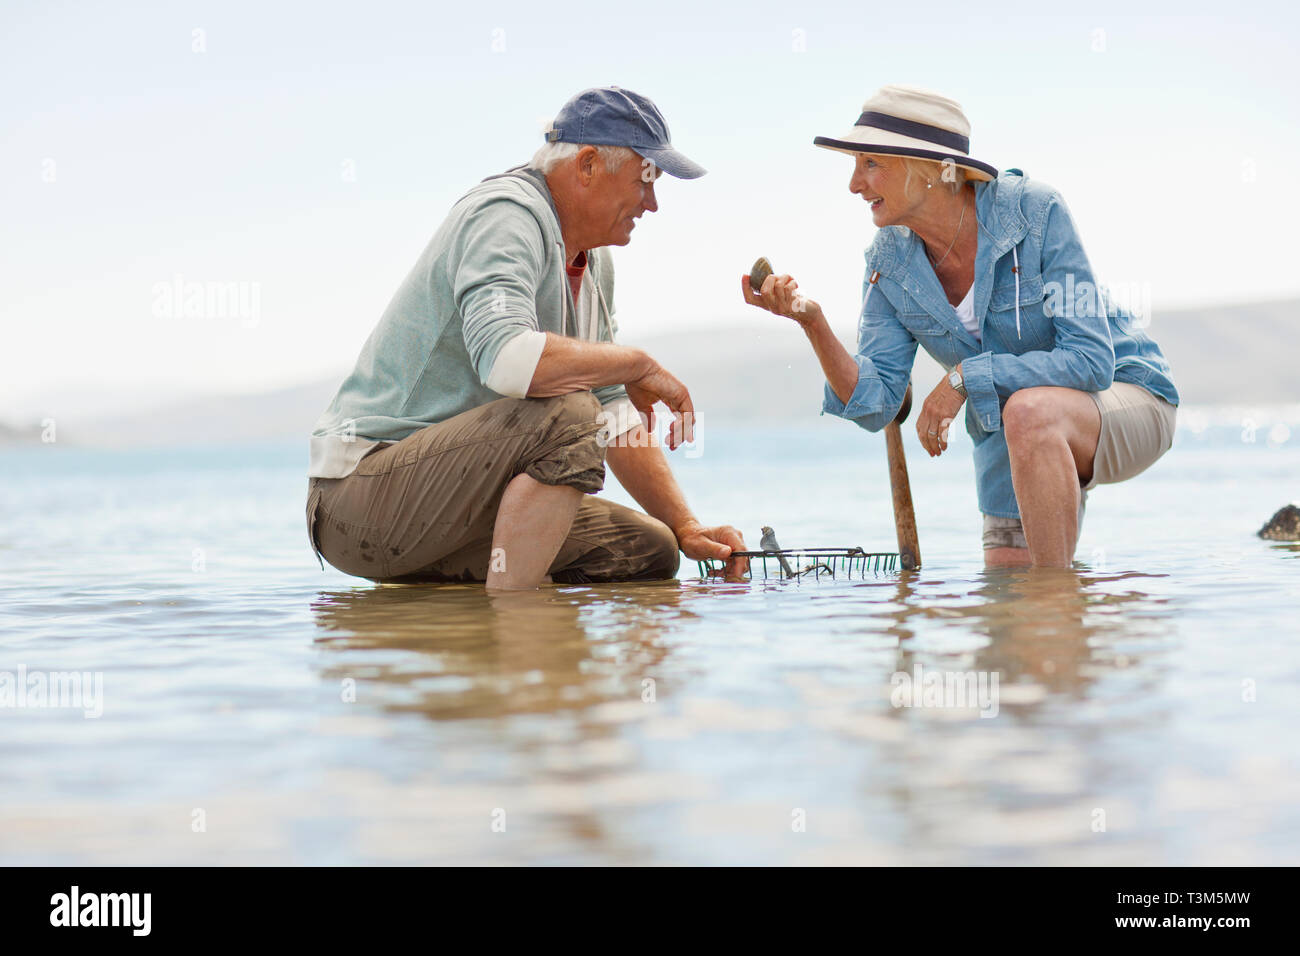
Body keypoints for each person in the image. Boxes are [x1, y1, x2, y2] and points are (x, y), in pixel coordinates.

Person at [306, 86, 746, 588]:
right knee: (571, 414)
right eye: (645, 181)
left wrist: (687, 527)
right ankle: (520, 639)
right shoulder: (505, 215)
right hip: (362, 500)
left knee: (649, 551)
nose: (653, 204)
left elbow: (614, 411)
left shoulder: (594, 259)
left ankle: (471, 629)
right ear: (586, 166)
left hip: (455, 508)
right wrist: (637, 364)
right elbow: (509, 360)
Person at [742, 85, 1178, 568]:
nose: (853, 185)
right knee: (1005, 608)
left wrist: (966, 378)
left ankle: (1057, 608)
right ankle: (1061, 625)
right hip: (1009, 432)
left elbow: (1092, 362)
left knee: (1030, 422)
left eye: (869, 164)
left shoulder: (1035, 211)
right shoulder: (887, 260)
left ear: (930, 169)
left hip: (1126, 397)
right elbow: (876, 403)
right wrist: (813, 323)